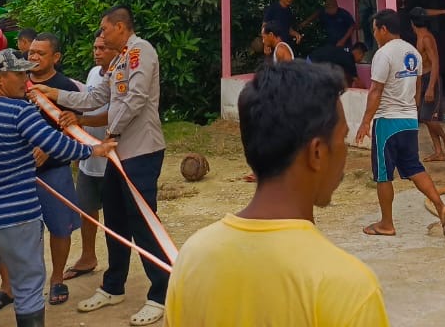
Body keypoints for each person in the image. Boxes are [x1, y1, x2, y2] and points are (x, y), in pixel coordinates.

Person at [164, 61, 389, 326]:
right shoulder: (350, 288)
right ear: (317, 153)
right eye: (342, 139)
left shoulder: (191, 258)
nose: (345, 153)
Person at [0, 49, 115, 327]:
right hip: (17, 218)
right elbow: (55, 143)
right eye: (20, 74)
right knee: (28, 290)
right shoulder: (20, 111)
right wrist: (94, 150)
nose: (25, 80)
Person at [33, 7, 170, 326]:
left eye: (104, 29)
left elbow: (135, 99)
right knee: (116, 219)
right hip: (118, 153)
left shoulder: (140, 52)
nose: (101, 35)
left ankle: (160, 293)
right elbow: (95, 98)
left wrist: (111, 134)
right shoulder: (120, 59)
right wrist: (54, 93)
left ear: (120, 27)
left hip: (141, 150)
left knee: (142, 221)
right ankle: (113, 286)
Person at [355, 10, 445, 238]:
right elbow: (418, 86)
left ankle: (386, 224)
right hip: (409, 119)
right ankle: (441, 206)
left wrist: (365, 122)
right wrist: (413, 109)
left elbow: (376, 90)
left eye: (374, 29)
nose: (374, 34)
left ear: (383, 29)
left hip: (387, 121)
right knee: (414, 167)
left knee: (383, 174)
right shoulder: (413, 52)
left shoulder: (383, 54)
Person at [27, 33, 85, 306]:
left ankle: (57, 279)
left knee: (60, 229)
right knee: (22, 233)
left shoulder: (64, 87)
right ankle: (12, 287)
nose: (34, 57)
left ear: (56, 58)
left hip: (55, 171)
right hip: (21, 174)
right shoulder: (17, 83)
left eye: (41, 53)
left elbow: (76, 131)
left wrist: (50, 148)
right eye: (32, 52)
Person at [62, 34, 116, 281]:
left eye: (102, 48)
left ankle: (118, 263)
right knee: (87, 209)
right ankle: (88, 256)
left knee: (116, 215)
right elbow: (88, 103)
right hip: (88, 155)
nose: (97, 52)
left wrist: (80, 120)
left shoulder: (122, 75)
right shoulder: (95, 72)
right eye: (95, 47)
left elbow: (114, 113)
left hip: (112, 156)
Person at [409, 10, 445, 161]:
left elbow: (435, 63)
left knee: (428, 117)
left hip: (431, 79)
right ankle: (438, 151)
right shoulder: (420, 37)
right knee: (426, 118)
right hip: (423, 79)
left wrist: (431, 87)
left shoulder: (426, 38)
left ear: (412, 23)